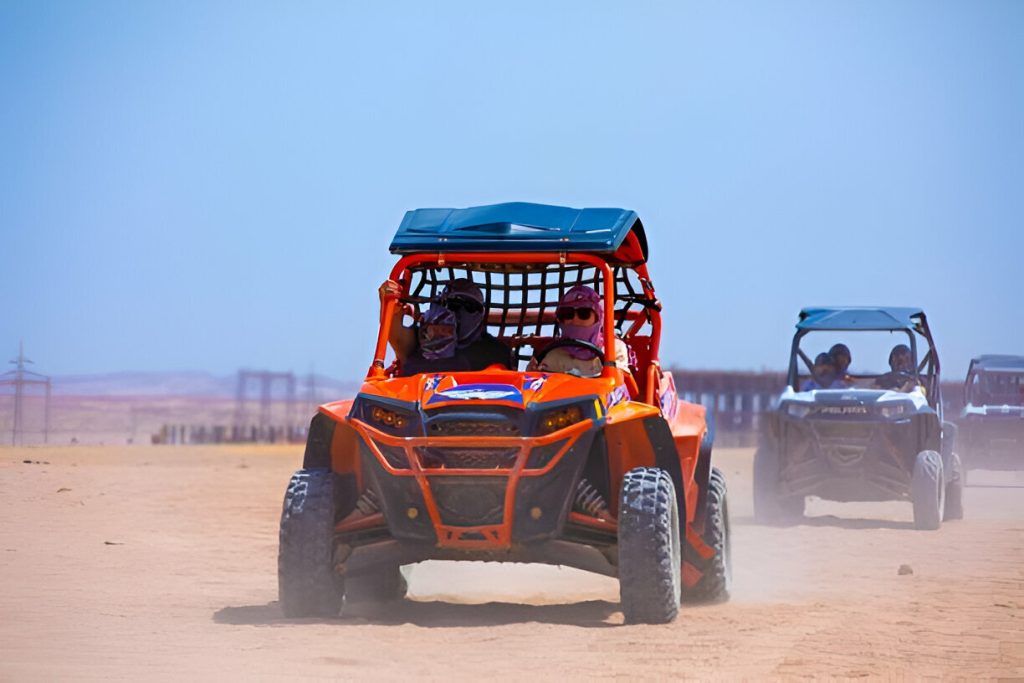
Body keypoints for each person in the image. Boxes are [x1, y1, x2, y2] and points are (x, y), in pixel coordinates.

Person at [378, 277, 511, 375]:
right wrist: (389, 304)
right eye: (453, 304)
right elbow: (397, 338)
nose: (458, 313)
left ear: (480, 313)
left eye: (468, 306)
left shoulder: (495, 350)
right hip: (415, 405)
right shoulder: (424, 337)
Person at [527, 285, 631, 377]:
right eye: (567, 314)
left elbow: (618, 386)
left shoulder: (613, 348)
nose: (575, 319)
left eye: (584, 314)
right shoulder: (554, 354)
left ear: (598, 318)